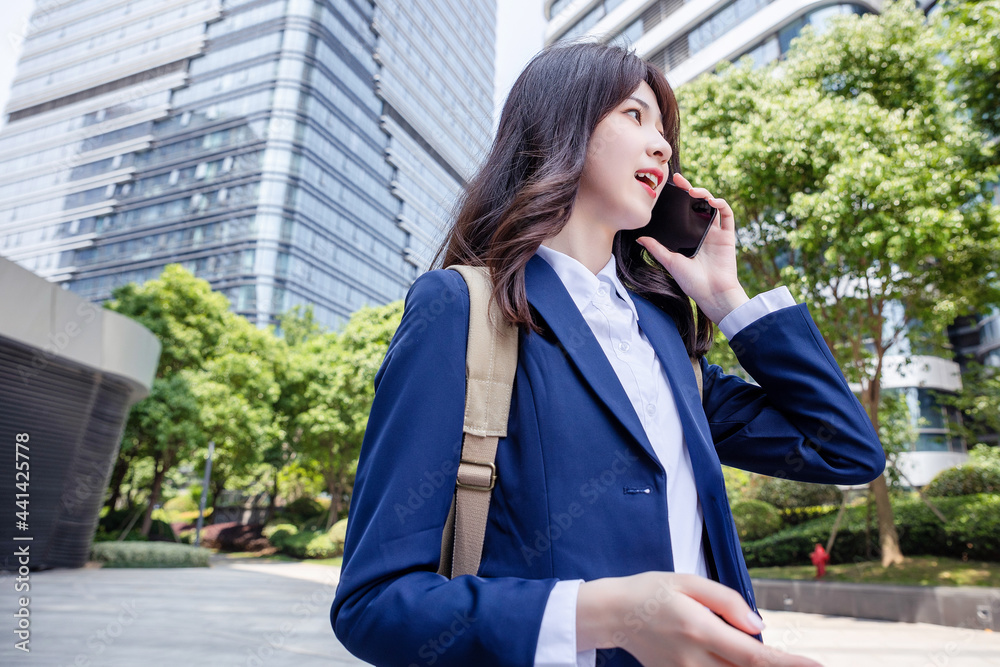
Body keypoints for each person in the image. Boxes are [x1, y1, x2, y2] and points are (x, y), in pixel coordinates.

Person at [330, 42, 884, 667]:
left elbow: (845, 449)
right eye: (634, 115)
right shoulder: (465, 309)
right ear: (561, 124)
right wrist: (609, 616)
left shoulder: (667, 345)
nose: (663, 144)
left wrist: (727, 300)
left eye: (665, 129)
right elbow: (375, 603)